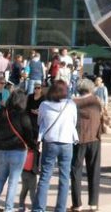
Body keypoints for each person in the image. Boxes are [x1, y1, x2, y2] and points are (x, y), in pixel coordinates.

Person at [33, 80, 78, 212]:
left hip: (50, 141)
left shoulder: (44, 105)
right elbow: (74, 122)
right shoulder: (71, 105)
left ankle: (39, 208)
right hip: (66, 141)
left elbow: (39, 121)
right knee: (64, 177)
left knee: (45, 175)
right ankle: (60, 208)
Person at [0, 89, 36, 212]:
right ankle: (8, 208)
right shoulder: (22, 115)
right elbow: (28, 134)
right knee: (13, 181)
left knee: (0, 178)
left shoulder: (2, 113)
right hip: (18, 150)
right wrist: (33, 145)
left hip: (2, 149)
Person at [70, 79, 103, 211]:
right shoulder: (96, 101)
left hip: (79, 140)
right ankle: (93, 203)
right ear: (90, 89)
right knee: (94, 170)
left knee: (76, 171)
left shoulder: (73, 102)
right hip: (95, 138)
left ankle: (77, 204)